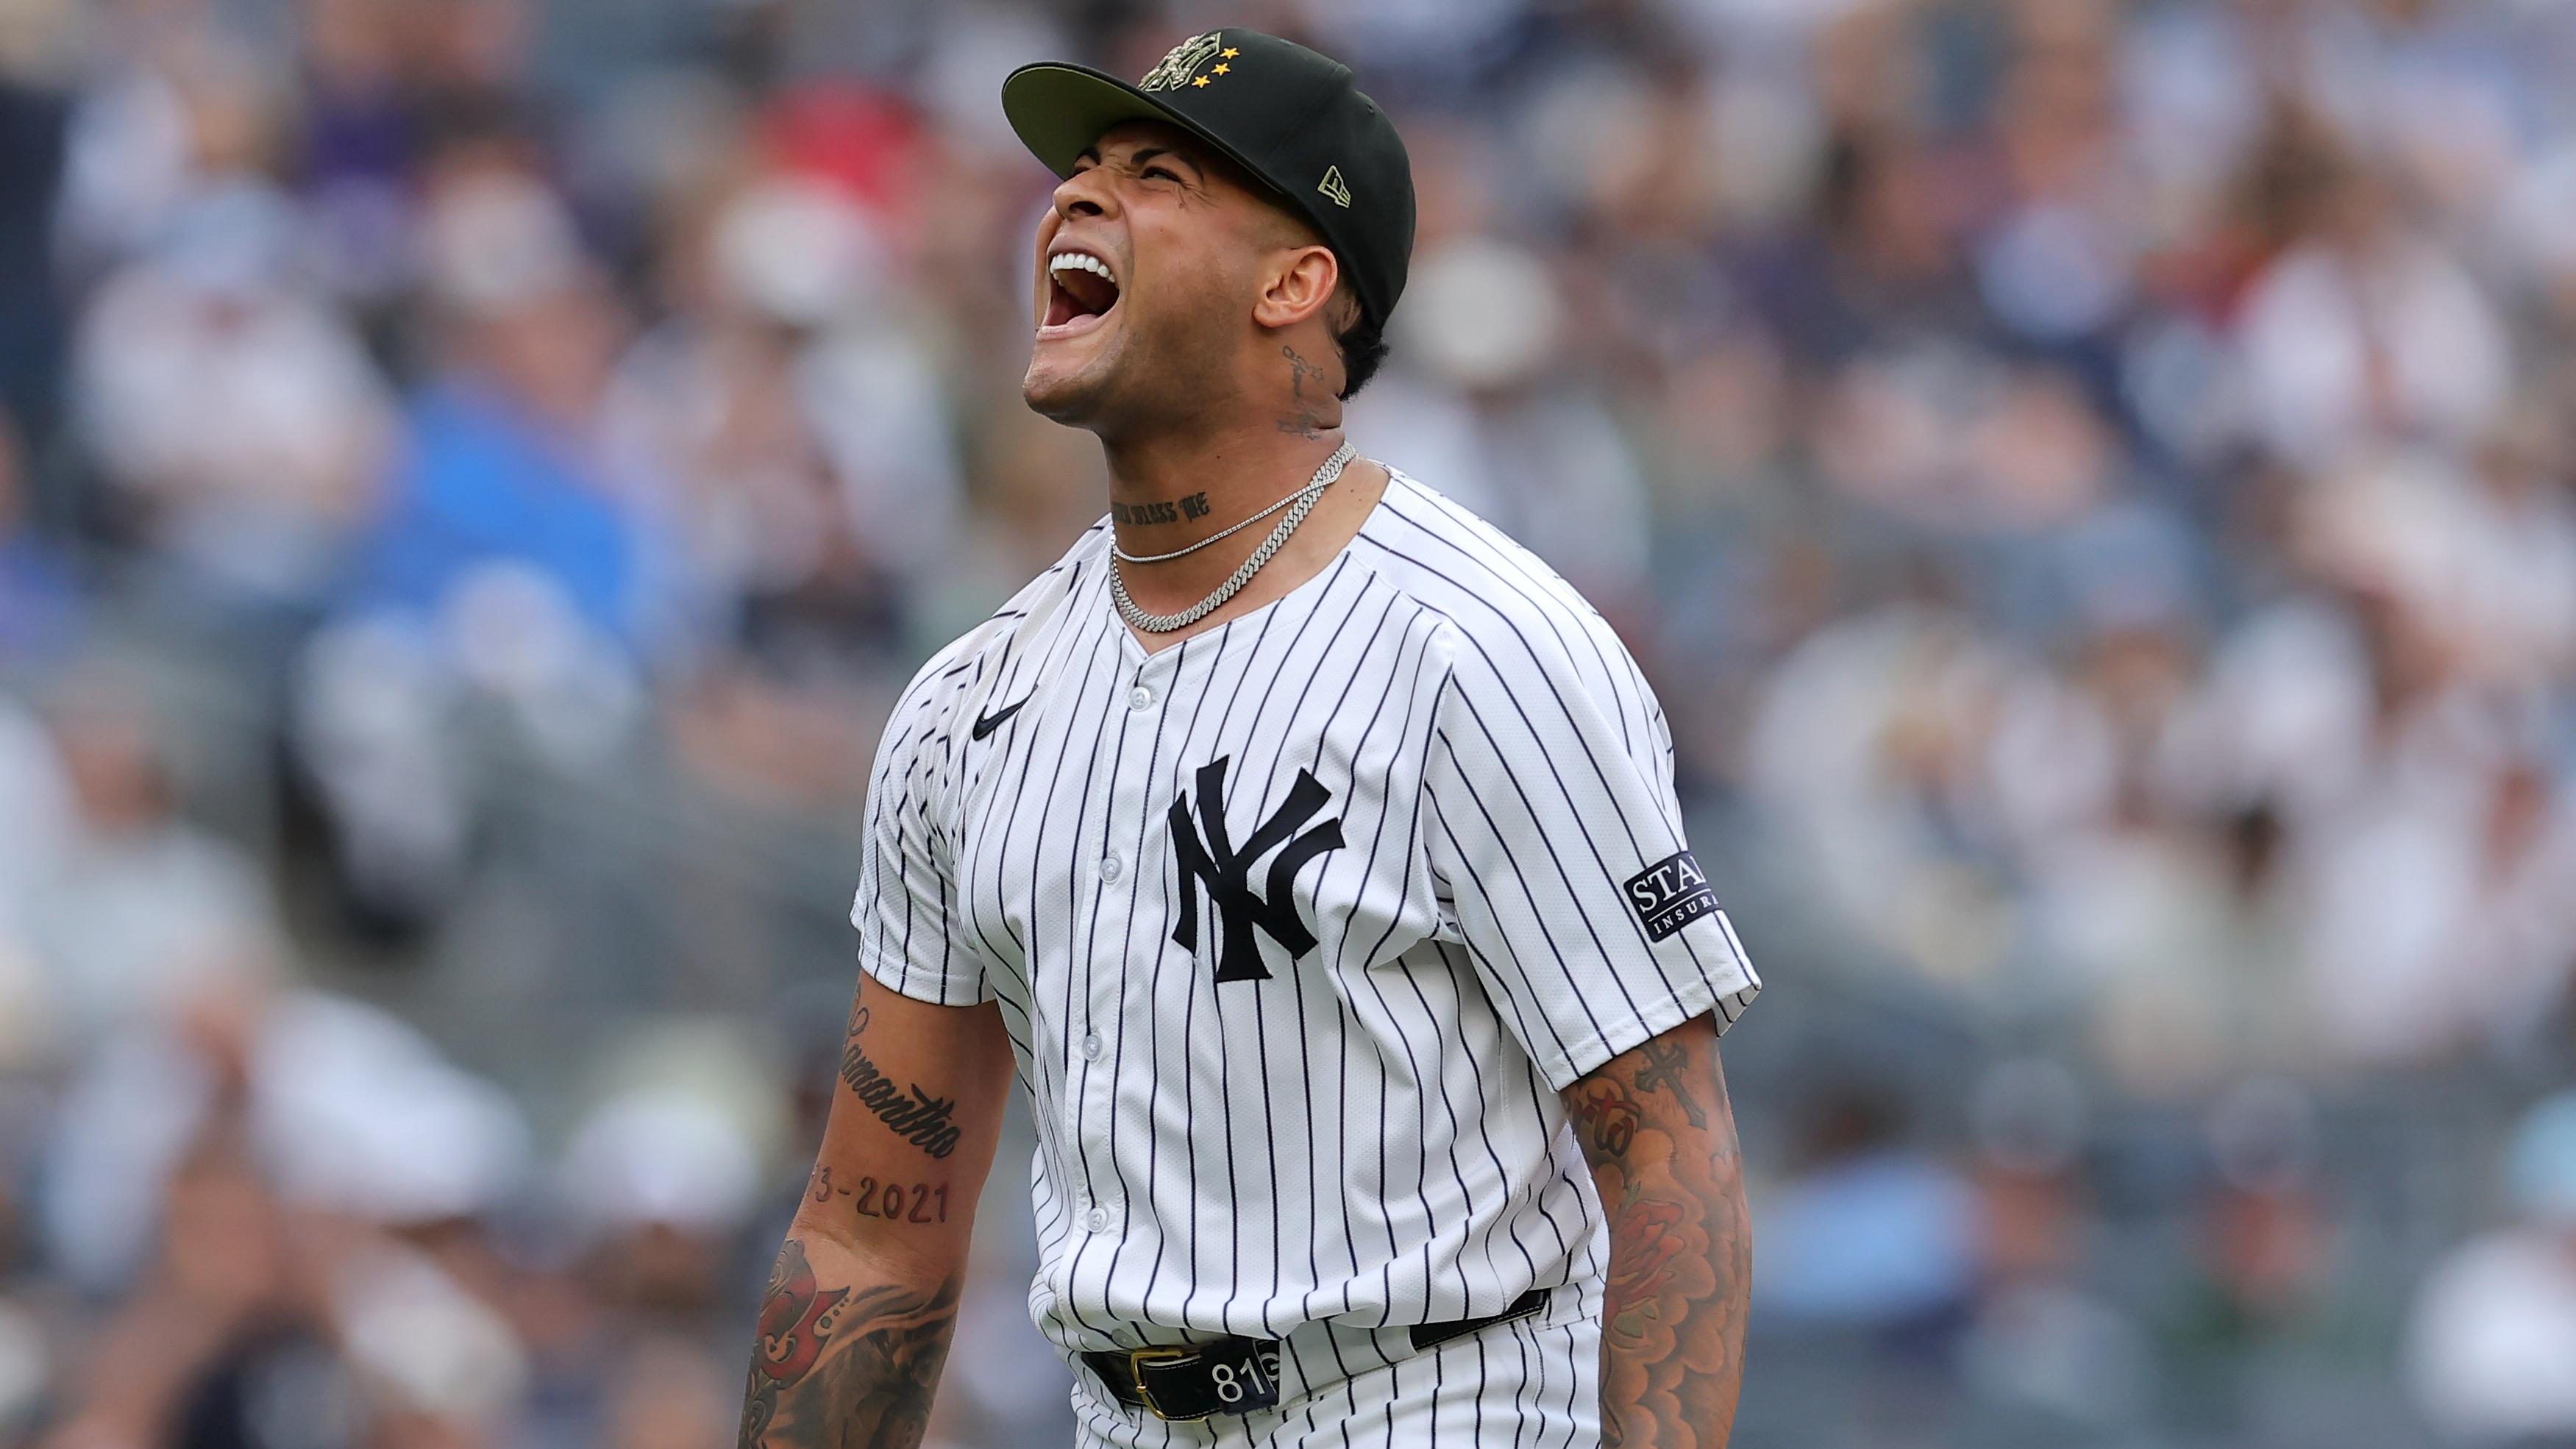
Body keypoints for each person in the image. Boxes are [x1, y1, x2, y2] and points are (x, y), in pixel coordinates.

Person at [740, 28, 1761, 1448]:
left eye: (1153, 175)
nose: (1072, 202)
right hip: (1119, 1417)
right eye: (1078, 173)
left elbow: (1669, 1164)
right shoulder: (964, 709)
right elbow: (870, 1230)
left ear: (1296, 282)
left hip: (1439, 1400)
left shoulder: (1481, 649)